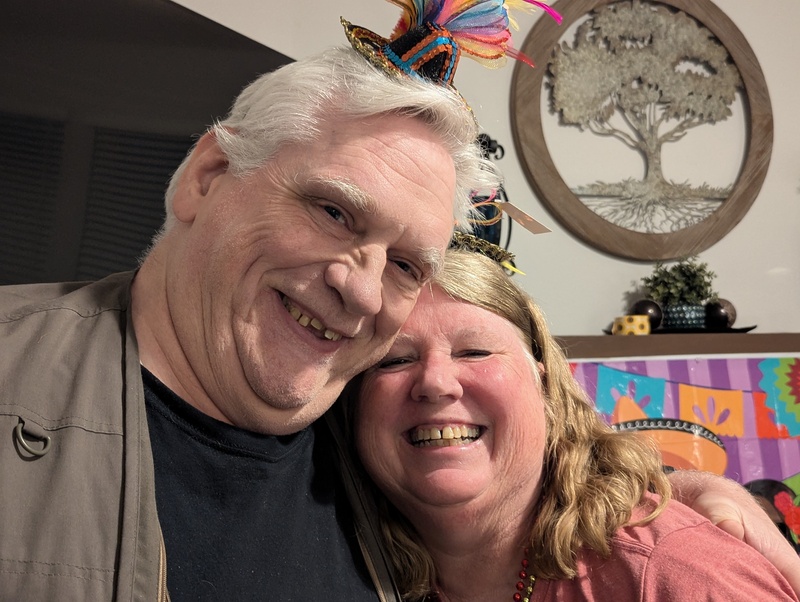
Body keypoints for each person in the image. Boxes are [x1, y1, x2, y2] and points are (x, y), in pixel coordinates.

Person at [1, 0, 798, 599]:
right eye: (333, 211)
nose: (356, 285)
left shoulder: (362, 447)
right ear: (209, 176)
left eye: (408, 264)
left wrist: (675, 506)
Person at [349, 239, 800, 601]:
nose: (435, 382)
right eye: (394, 360)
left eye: (475, 351)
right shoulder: (343, 564)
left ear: (543, 386)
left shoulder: (677, 574)